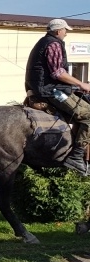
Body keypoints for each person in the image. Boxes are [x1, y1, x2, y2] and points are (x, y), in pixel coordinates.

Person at [25, 18, 90, 175]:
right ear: (57, 31)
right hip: (51, 91)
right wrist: (82, 84)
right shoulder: (54, 44)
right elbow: (57, 73)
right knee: (89, 115)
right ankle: (76, 157)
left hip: (42, 88)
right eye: (65, 30)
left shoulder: (44, 42)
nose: (66, 33)